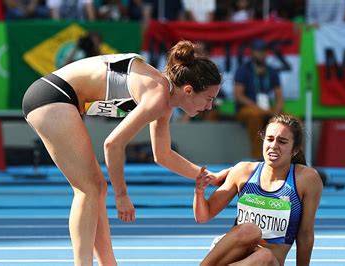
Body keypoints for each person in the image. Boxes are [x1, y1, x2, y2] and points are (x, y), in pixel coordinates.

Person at [21, 40, 229, 266]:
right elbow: (113, 144)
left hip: (56, 98)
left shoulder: (164, 99)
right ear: (188, 90)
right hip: (53, 97)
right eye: (209, 98)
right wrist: (121, 196)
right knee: (89, 189)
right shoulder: (157, 94)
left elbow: (163, 155)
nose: (209, 107)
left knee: (95, 188)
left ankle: (108, 263)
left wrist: (209, 177)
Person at [193, 113, 323, 266]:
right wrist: (199, 192)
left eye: (282, 141)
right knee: (249, 230)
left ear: (294, 150)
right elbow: (203, 216)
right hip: (234, 254)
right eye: (269, 139)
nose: (273, 145)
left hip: (269, 262)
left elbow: (305, 235)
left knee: (264, 256)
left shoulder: (306, 179)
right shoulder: (243, 171)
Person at [234, 39, 284, 160]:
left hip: (267, 108)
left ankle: (290, 158)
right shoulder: (243, 70)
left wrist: (276, 112)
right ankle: (258, 157)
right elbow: (238, 95)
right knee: (255, 116)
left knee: (290, 120)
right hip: (248, 109)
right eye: (258, 51)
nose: (261, 54)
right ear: (252, 53)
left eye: (263, 51)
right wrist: (258, 108)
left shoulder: (271, 71)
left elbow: (279, 96)